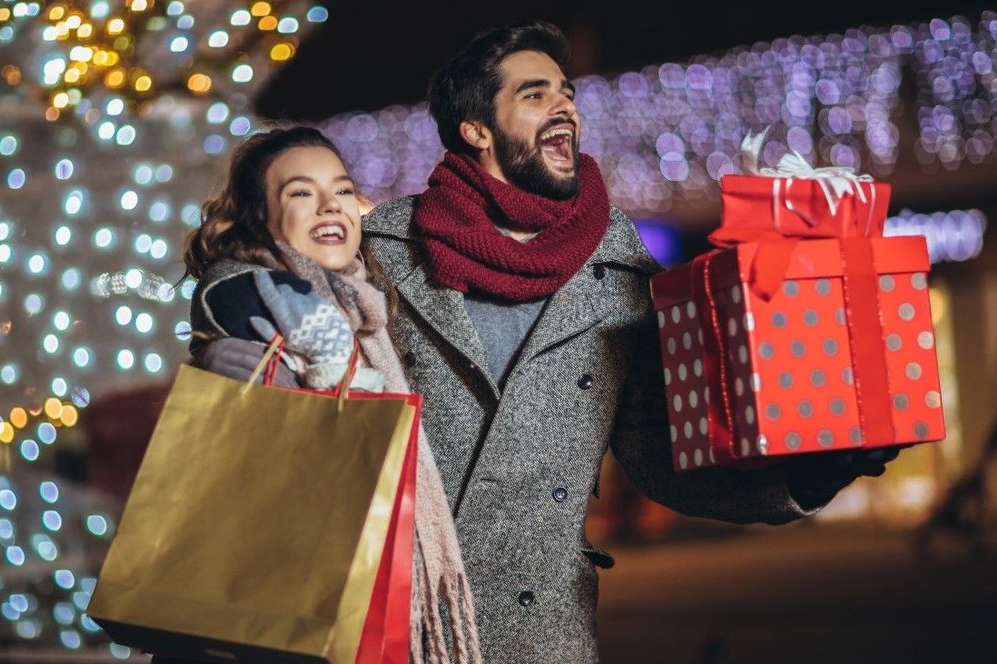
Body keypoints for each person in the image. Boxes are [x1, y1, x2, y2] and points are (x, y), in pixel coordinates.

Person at [355, 20, 901, 663]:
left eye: (566, 93)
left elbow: (654, 454)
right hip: (390, 615)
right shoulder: (384, 249)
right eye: (534, 95)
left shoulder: (618, 265)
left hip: (543, 633)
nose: (564, 106)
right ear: (475, 129)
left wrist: (802, 481)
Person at [181, 126, 483, 663]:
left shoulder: (368, 307)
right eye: (301, 192)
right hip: (270, 599)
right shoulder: (244, 291)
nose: (329, 206)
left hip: (356, 586)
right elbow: (243, 298)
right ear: (258, 215)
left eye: (342, 190)